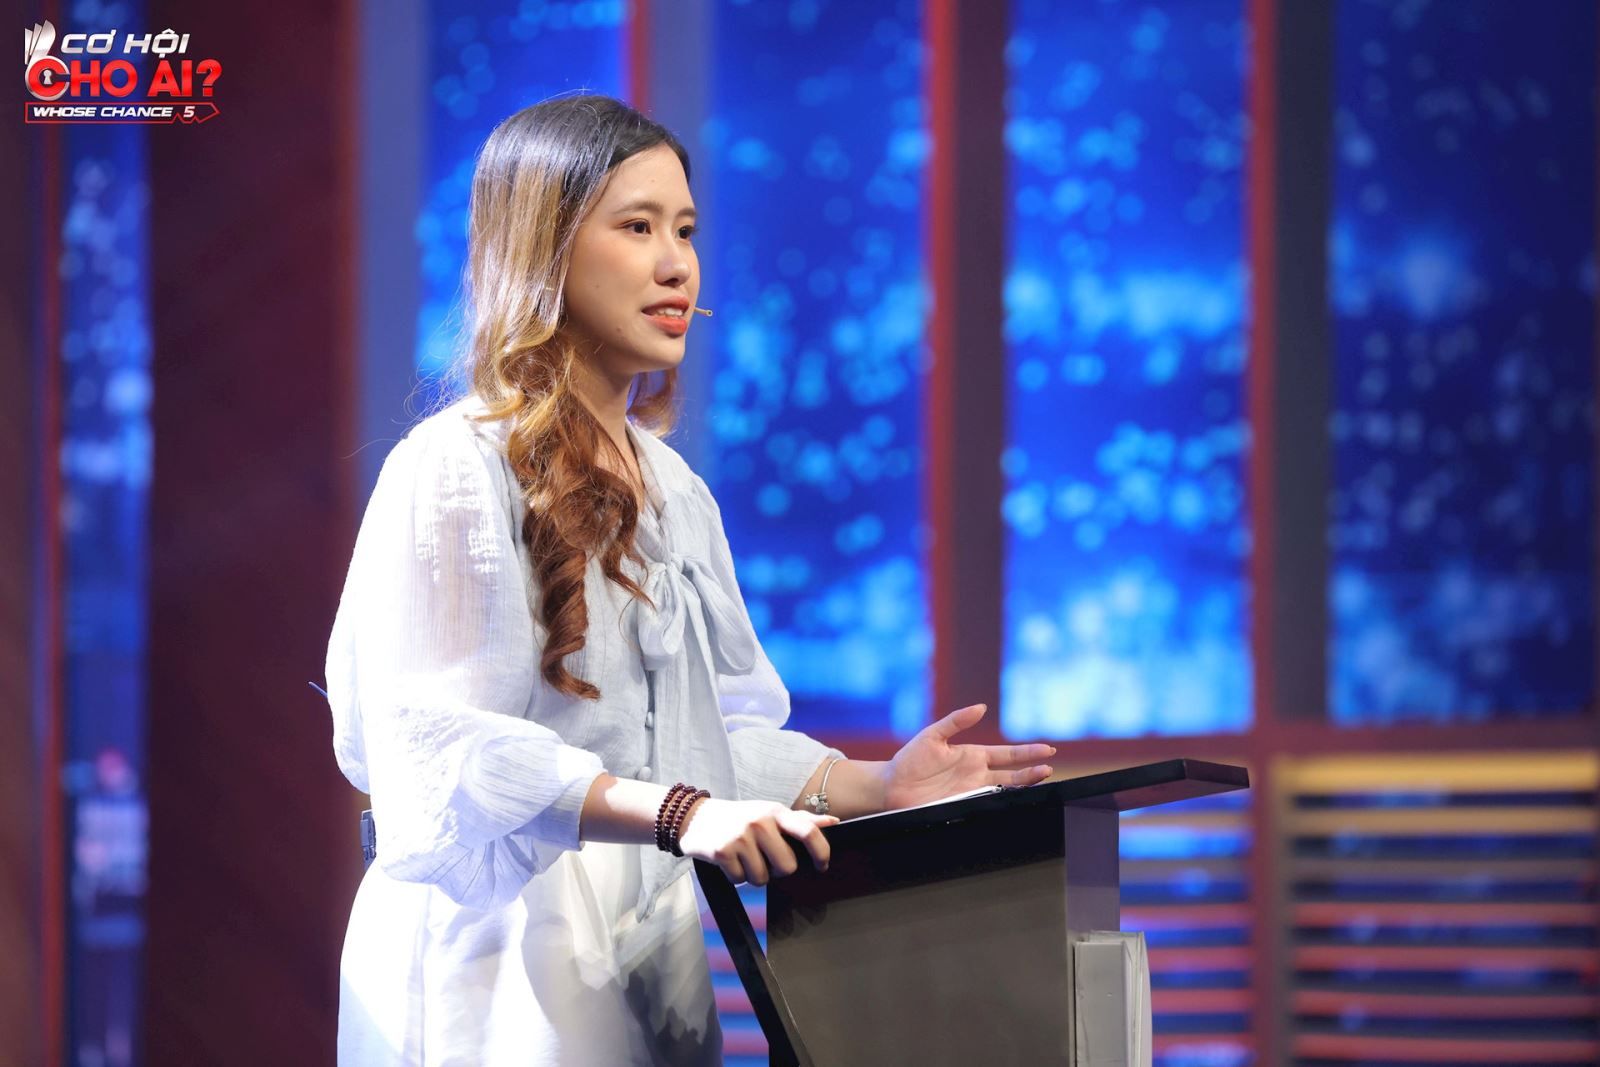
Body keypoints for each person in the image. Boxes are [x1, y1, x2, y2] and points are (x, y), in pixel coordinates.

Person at [324, 94, 1058, 1066]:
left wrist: (877, 784)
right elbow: (442, 745)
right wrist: (682, 813)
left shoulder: (674, 491)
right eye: (637, 227)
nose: (676, 264)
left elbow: (703, 735)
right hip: (496, 960)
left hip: (648, 950)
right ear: (546, 247)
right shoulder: (455, 464)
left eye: (686, 230)